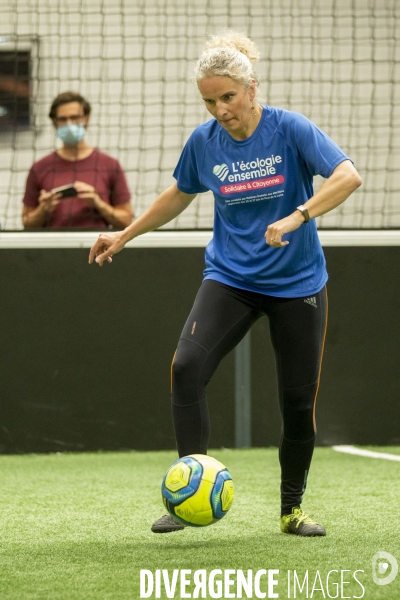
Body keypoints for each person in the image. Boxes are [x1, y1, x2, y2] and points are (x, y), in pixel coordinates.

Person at [88, 30, 362, 536]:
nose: (220, 110)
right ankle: (187, 495)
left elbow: (348, 175)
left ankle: (291, 510)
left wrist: (298, 216)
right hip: (230, 278)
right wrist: (124, 234)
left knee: (297, 404)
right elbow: (178, 194)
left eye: (228, 98)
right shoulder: (204, 142)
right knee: (186, 366)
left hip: (297, 282)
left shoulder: (291, 130)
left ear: (252, 88)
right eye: (210, 101)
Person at [22, 91, 133, 229]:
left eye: (75, 118)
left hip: (99, 246)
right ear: (54, 123)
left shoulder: (110, 165)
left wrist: (98, 203)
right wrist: (43, 209)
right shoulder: (39, 167)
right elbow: (27, 223)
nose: (69, 124)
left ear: (87, 119)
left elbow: (127, 221)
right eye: (63, 119)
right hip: (52, 247)